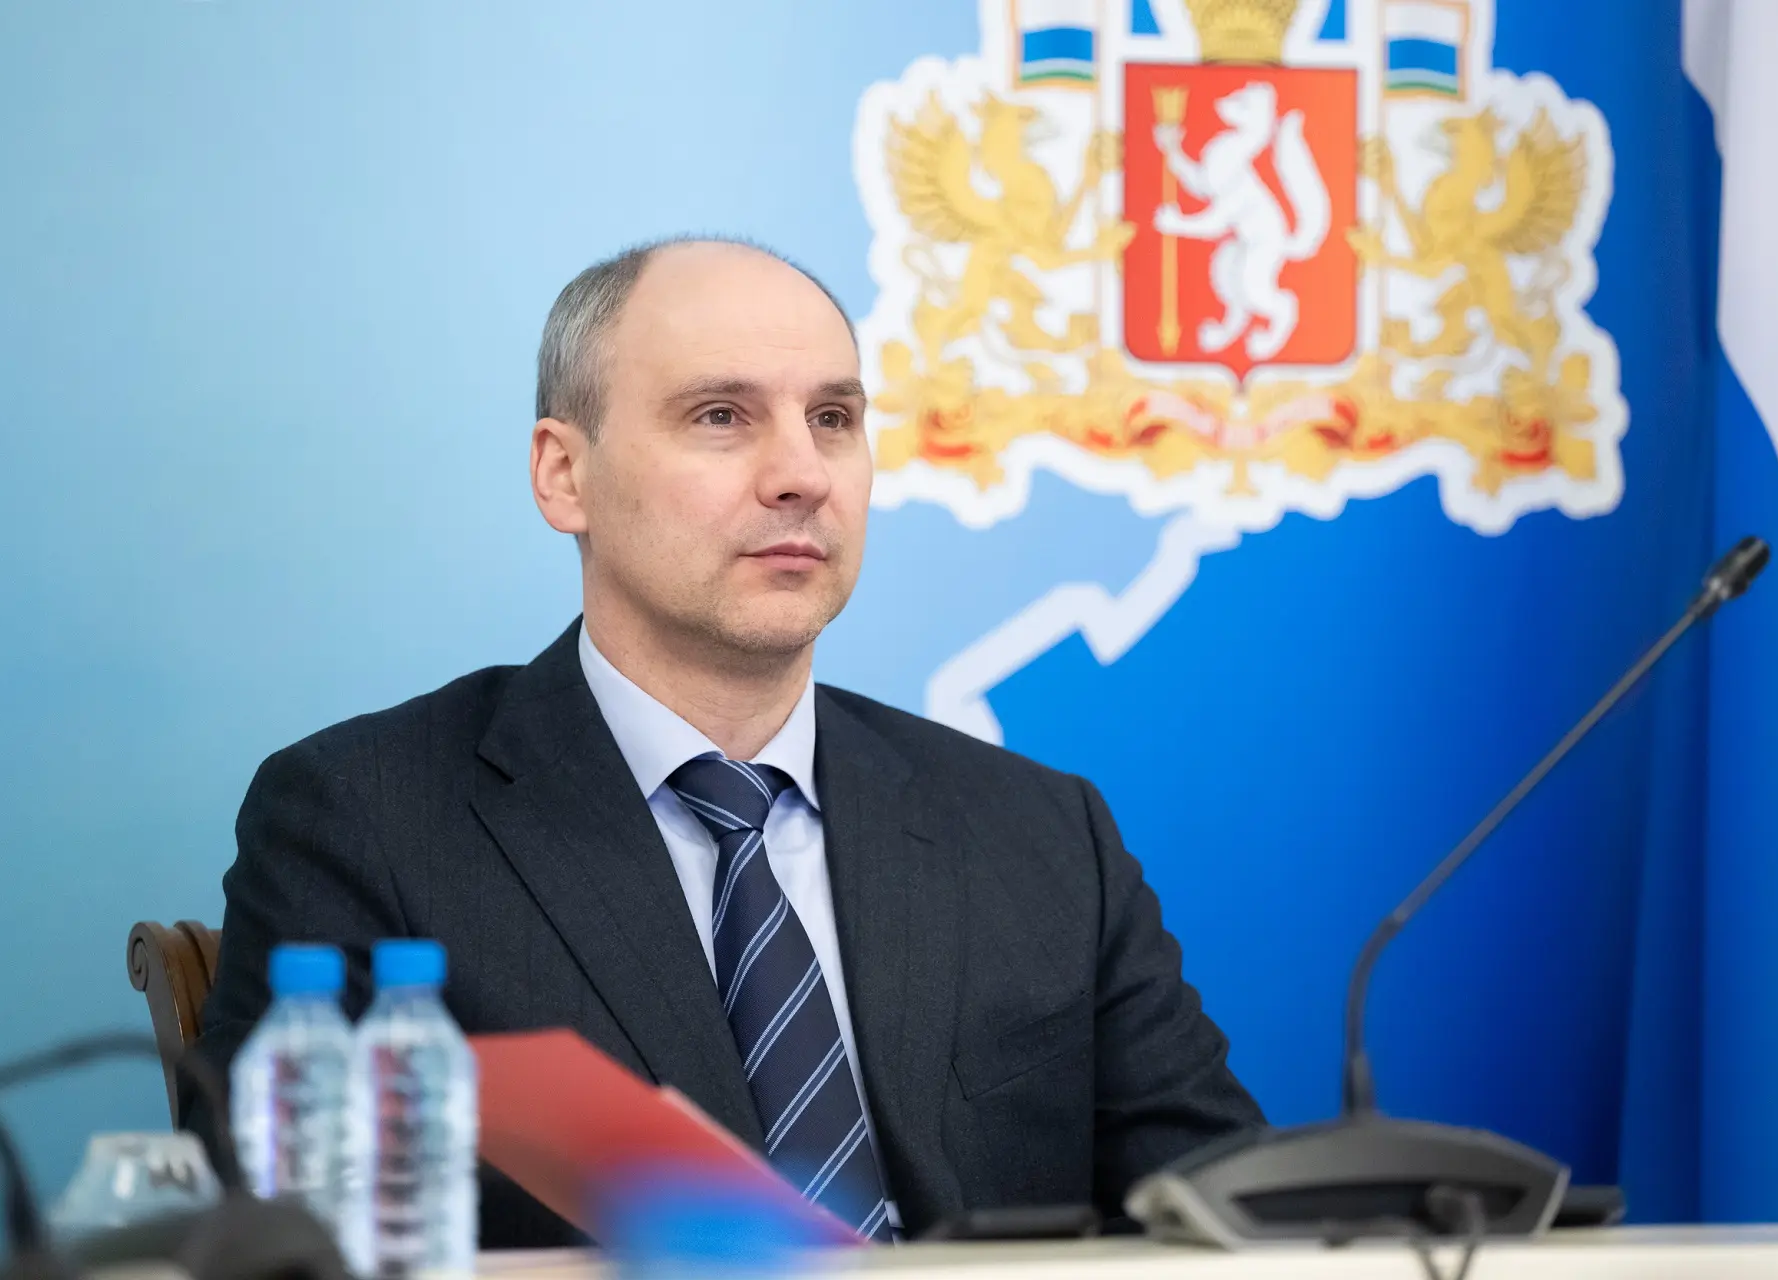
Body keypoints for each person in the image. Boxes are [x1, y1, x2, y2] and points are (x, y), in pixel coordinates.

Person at [193, 237, 1264, 1247]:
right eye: (721, 415)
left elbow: (1235, 1217)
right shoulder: (366, 817)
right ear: (564, 474)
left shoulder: (1039, 832)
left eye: (834, 418)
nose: (803, 473)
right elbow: (281, 1235)